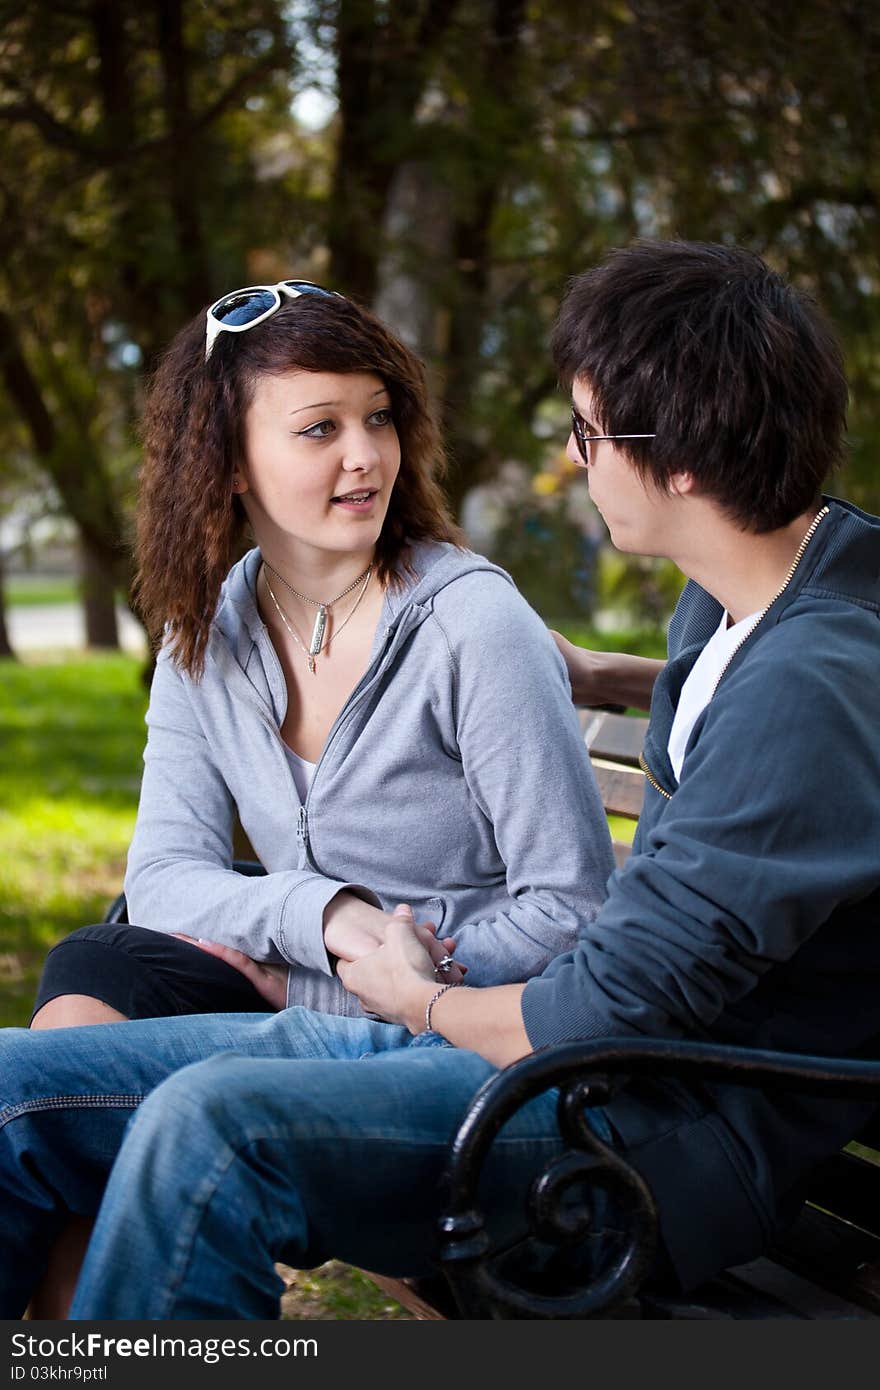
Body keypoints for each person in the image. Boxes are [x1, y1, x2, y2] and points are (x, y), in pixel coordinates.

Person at [1, 239, 878, 1319]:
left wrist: (414, 993)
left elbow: (600, 991)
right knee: (12, 1089)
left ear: (683, 461)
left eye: (587, 431)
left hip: (634, 1124)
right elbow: (767, 716)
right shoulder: (747, 604)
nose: (575, 457)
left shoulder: (811, 676)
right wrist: (616, 675)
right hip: (558, 1057)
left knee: (209, 1125)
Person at [15, 277, 615, 1316]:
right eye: (319, 427)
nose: (363, 454)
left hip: (452, 1044)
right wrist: (325, 917)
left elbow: (572, 912)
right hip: (304, 1011)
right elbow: (162, 874)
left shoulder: (472, 627)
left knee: (109, 1111)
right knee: (45, 1041)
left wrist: (342, 976)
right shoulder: (206, 635)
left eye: (377, 418)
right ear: (228, 462)